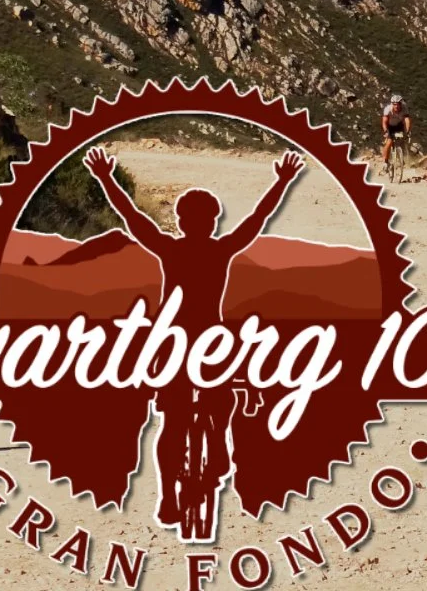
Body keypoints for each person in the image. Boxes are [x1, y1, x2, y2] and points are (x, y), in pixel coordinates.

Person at [83, 144, 305, 539]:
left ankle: (169, 496)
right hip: (212, 342)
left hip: (174, 343)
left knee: (172, 422)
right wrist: (282, 182)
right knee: (222, 401)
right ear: (214, 221)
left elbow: (132, 218)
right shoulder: (221, 250)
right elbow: (258, 218)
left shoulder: (170, 248)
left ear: (182, 221)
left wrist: (104, 178)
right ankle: (218, 446)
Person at [381, 94, 411, 166]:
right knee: (389, 142)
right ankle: (385, 162)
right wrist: (385, 131)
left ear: (401, 104)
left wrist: (407, 131)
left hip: (399, 125)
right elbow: (384, 121)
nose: (396, 106)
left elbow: (407, 120)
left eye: (398, 104)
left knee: (402, 140)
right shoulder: (388, 109)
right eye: (394, 104)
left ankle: (400, 157)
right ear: (392, 104)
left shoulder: (404, 107)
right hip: (389, 126)